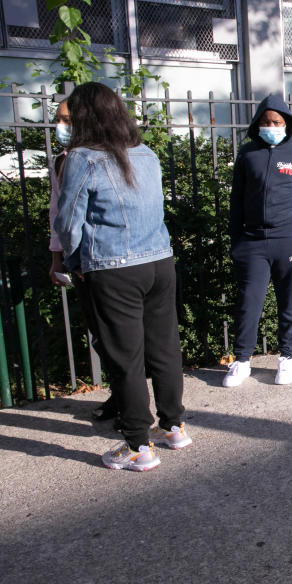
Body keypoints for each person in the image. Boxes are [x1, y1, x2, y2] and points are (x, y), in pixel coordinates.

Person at [54, 82, 192, 471]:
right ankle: (174, 426)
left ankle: (136, 445)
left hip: (113, 268)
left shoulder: (83, 157)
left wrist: (76, 260)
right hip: (160, 262)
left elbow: (67, 221)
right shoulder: (146, 153)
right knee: (165, 348)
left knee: (125, 358)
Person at [222, 94, 292, 387]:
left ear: (286, 124)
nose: (271, 126)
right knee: (248, 303)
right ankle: (241, 361)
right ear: (257, 124)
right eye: (266, 122)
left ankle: (287, 358)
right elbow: (236, 201)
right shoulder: (247, 154)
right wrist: (236, 242)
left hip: (291, 241)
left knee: (291, 303)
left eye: (277, 122)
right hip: (252, 243)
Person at [46, 98, 119, 423]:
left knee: (118, 337)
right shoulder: (62, 161)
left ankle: (132, 407)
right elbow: (57, 214)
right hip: (81, 264)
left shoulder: (106, 158)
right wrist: (57, 259)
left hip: (106, 261)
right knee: (100, 335)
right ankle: (121, 397)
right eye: (58, 120)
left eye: (67, 120)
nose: (60, 127)